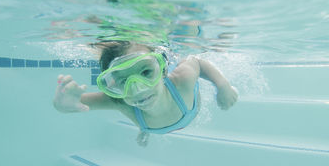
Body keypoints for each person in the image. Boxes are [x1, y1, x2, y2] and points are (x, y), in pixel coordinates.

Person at [53, 40, 238, 146]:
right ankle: (145, 130)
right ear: (114, 86)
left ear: (164, 70)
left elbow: (196, 61)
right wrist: (63, 105)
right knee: (141, 118)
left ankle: (145, 130)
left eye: (146, 72)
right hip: (152, 125)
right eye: (123, 81)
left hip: (188, 106)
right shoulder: (120, 101)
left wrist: (223, 86)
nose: (137, 89)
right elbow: (77, 104)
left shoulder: (182, 81)